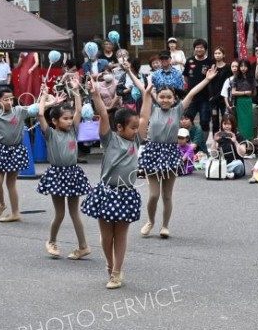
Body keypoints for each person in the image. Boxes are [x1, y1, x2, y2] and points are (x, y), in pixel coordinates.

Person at [79, 76, 146, 289]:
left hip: (126, 193)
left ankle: (117, 272)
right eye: (132, 127)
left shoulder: (136, 140)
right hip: (106, 192)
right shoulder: (110, 139)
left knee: (121, 235)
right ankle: (110, 266)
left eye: (137, 127)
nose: (137, 130)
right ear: (119, 128)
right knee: (106, 237)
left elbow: (144, 116)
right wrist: (96, 95)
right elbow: (103, 116)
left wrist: (147, 93)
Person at [138, 66, 218, 238]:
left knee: (167, 195)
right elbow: (142, 89)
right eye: (162, 97)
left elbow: (192, 93)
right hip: (153, 151)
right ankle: (150, 221)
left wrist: (207, 79)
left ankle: (165, 226)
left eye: (169, 97)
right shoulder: (153, 109)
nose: (165, 100)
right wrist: (144, 82)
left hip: (171, 152)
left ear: (174, 99)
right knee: (153, 195)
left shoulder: (177, 111)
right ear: (157, 98)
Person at [0, 87, 55, 222]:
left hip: (16, 150)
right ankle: (1, 204)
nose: (9, 102)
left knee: (11, 183)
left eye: (11, 98)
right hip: (1, 150)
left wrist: (47, 98)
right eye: (5, 99)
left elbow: (37, 107)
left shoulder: (19, 111)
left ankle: (15, 213)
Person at [36, 85, 92, 260]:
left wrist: (76, 91)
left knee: (74, 212)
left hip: (73, 173)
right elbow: (39, 114)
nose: (69, 121)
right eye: (65, 118)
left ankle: (83, 246)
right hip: (57, 175)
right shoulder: (50, 134)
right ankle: (51, 241)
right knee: (60, 213)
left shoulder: (74, 131)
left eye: (70, 118)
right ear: (54, 121)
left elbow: (79, 111)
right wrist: (44, 97)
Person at [183, 38, 214, 142]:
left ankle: (202, 145)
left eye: (201, 47)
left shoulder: (210, 62)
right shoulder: (189, 61)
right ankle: (189, 143)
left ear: (205, 49)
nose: (199, 49)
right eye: (197, 47)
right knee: (187, 120)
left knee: (204, 122)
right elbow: (186, 78)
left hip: (205, 98)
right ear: (194, 49)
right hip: (192, 98)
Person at [232, 59, 257, 140]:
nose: (243, 68)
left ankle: (250, 140)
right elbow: (233, 92)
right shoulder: (236, 78)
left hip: (249, 101)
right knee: (241, 122)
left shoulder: (251, 78)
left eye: (245, 66)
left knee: (249, 122)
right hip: (240, 101)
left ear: (248, 67)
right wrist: (245, 92)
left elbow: (254, 93)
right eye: (241, 66)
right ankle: (242, 139)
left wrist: (250, 93)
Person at [209, 47, 232, 135]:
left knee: (225, 120)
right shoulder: (212, 67)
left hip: (223, 98)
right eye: (216, 53)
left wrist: (216, 97)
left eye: (219, 53)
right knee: (214, 122)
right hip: (213, 100)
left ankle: (226, 138)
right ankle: (216, 141)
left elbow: (226, 85)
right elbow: (209, 82)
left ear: (223, 55)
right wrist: (211, 97)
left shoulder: (227, 67)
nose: (217, 55)